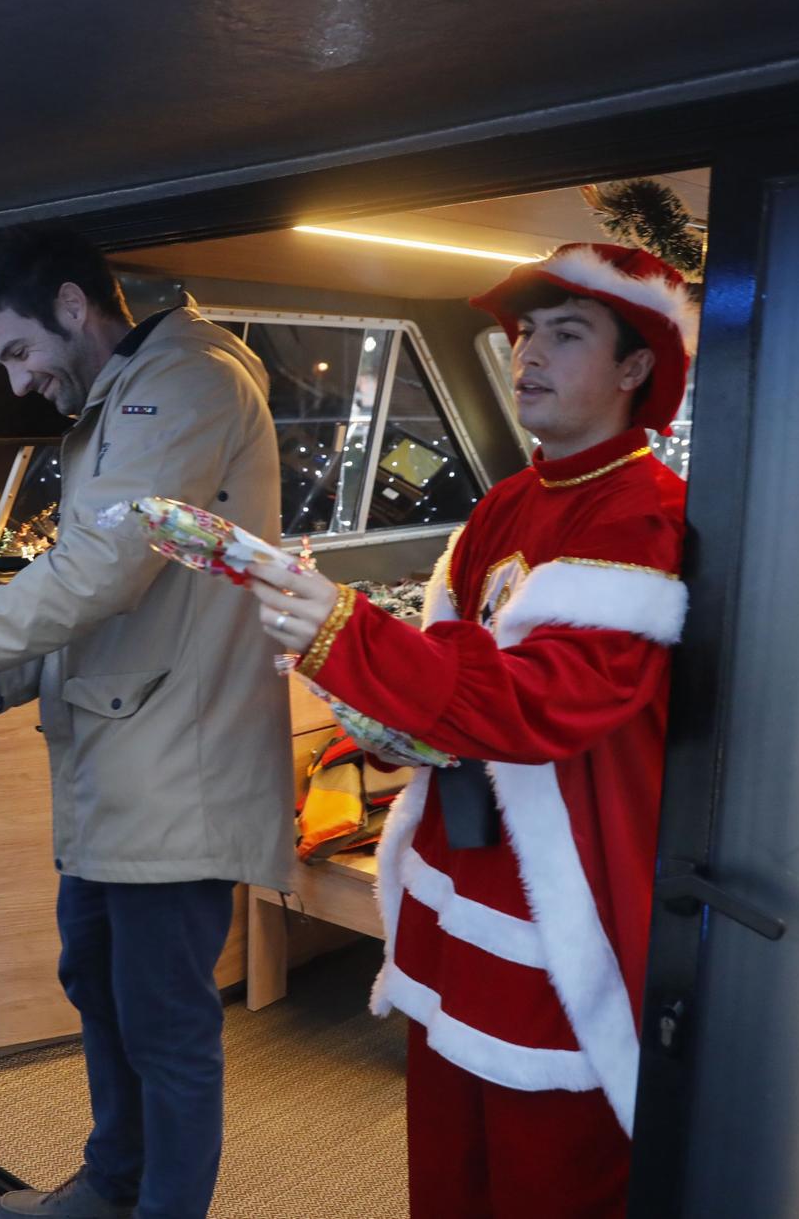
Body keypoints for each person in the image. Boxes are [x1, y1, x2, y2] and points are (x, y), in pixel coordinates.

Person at [243, 243, 694, 1218]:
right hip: (453, 887)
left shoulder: (646, 518)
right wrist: (348, 671)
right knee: (447, 1162)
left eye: (564, 334)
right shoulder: (504, 504)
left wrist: (341, 629)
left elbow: (536, 701)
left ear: (634, 368)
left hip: (556, 909)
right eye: (525, 332)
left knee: (548, 1175)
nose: (527, 352)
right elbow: (441, 694)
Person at [0, 226, 292, 1219]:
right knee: (98, 986)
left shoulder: (184, 384)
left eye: (18, 352)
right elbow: (108, 602)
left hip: (174, 771)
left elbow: (104, 568)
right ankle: (111, 1186)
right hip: (117, 764)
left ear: (72, 306)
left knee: (164, 1023)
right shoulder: (115, 404)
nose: (16, 382)